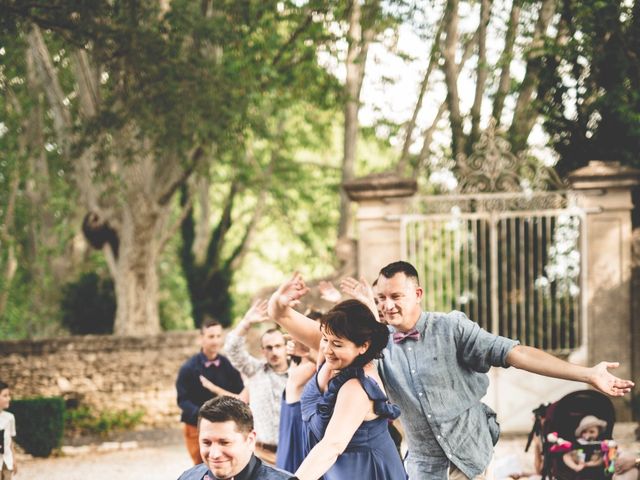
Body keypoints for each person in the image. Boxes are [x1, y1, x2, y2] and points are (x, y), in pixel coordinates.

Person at [269, 263, 634, 480]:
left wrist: (586, 374)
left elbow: (515, 352)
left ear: (418, 293)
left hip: (469, 453)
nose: (386, 305)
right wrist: (279, 310)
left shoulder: (452, 328)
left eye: (395, 296)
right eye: (380, 298)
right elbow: (320, 336)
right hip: (423, 463)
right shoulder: (373, 343)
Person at [269, 294, 407, 480]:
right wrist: (279, 302)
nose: (326, 348)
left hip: (365, 472)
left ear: (363, 347)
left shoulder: (357, 388)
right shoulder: (333, 353)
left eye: (336, 344)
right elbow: (281, 315)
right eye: (325, 338)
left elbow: (332, 445)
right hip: (332, 470)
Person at [224, 300, 289, 464]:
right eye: (269, 347)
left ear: (286, 347)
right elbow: (232, 349)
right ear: (263, 351)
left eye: (278, 346)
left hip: (291, 452)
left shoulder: (300, 375)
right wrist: (246, 323)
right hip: (260, 454)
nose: (274, 351)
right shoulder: (255, 371)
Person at [177, 318, 247, 464]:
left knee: (225, 467)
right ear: (201, 339)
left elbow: (240, 393)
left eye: (218, 336)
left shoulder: (228, 365)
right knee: (201, 467)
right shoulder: (188, 368)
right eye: (211, 336)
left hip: (225, 425)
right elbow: (183, 400)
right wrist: (203, 415)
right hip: (195, 426)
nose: (215, 341)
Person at [177, 396, 292, 480]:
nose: (214, 454)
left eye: (224, 442)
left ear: (250, 440)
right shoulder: (187, 477)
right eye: (206, 443)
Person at [0, 381, 17, 480]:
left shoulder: (10, 418)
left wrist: (14, 460)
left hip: (7, 461)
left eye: (8, 395)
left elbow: (10, 441)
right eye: (5, 396)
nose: (8, 398)